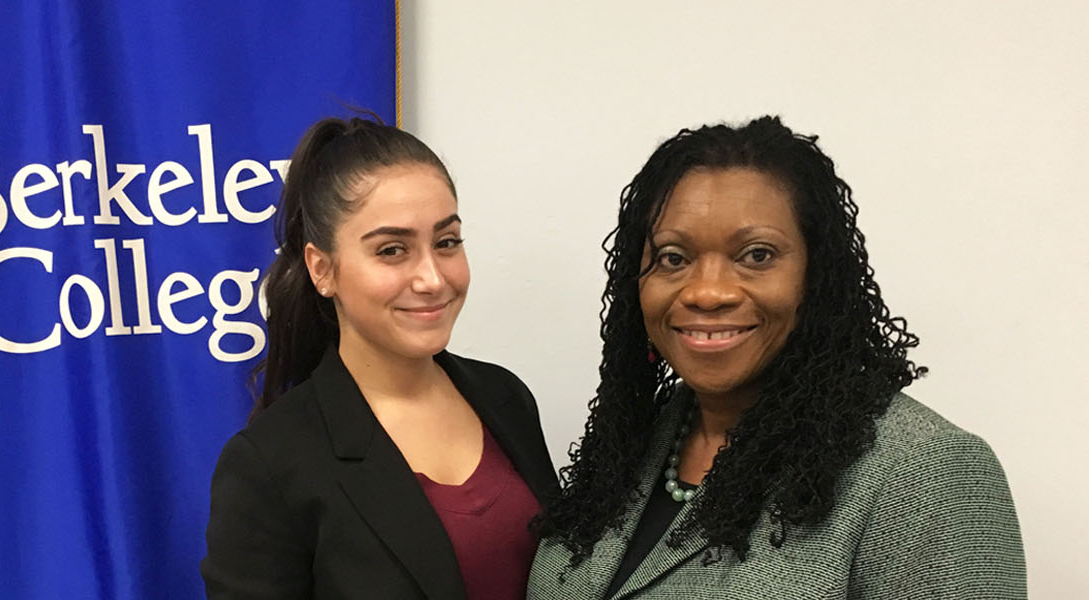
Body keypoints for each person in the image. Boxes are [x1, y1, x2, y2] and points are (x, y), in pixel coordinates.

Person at [528, 117, 1024, 599]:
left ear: (817, 276)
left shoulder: (924, 471)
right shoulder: (633, 447)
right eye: (674, 258)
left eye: (757, 255)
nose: (707, 292)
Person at [200, 116, 557, 599]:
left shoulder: (505, 397)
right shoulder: (269, 464)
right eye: (392, 250)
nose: (432, 278)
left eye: (446, 242)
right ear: (322, 269)